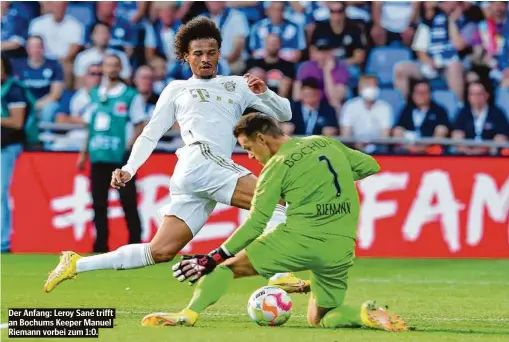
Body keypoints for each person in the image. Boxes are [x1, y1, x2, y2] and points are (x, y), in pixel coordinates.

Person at [44, 17, 308, 294]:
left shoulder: (237, 85)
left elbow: (285, 113)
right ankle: (279, 273)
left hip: (197, 175)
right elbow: (150, 133)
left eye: (211, 52)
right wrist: (130, 168)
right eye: (198, 54)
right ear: (186, 57)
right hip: (200, 161)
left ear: (219, 53)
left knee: (160, 250)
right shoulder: (176, 90)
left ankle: (76, 263)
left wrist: (265, 94)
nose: (205, 59)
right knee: (276, 201)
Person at [140, 113, 407, 332]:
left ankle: (188, 314)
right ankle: (364, 315)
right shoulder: (326, 143)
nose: (250, 157)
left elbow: (256, 224)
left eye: (248, 148)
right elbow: (371, 165)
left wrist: (215, 257)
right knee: (322, 317)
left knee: (224, 269)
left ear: (261, 138)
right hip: (341, 248)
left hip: (298, 241)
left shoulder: (275, 168)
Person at [76, 54, 145, 253]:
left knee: (127, 201)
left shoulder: (131, 95)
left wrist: (128, 150)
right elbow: (90, 126)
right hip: (98, 156)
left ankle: (135, 244)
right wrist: (83, 154)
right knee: (98, 204)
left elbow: (140, 123)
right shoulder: (95, 94)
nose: (111, 69)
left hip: (120, 158)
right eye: (108, 65)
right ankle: (100, 245)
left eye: (115, 65)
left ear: (120, 68)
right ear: (103, 68)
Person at [1, 55, 31, 253]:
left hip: (8, 147)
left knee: (1, 193)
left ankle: (3, 242)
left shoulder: (14, 89)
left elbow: (17, 122)